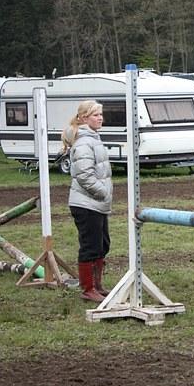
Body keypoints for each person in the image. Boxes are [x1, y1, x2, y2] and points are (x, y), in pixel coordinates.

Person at [62, 101, 112, 303]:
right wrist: (103, 193)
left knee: (102, 245)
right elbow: (84, 175)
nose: (100, 118)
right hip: (87, 203)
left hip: (95, 203)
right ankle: (88, 288)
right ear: (83, 118)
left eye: (100, 114)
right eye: (95, 115)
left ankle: (97, 285)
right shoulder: (84, 142)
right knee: (90, 246)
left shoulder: (93, 138)